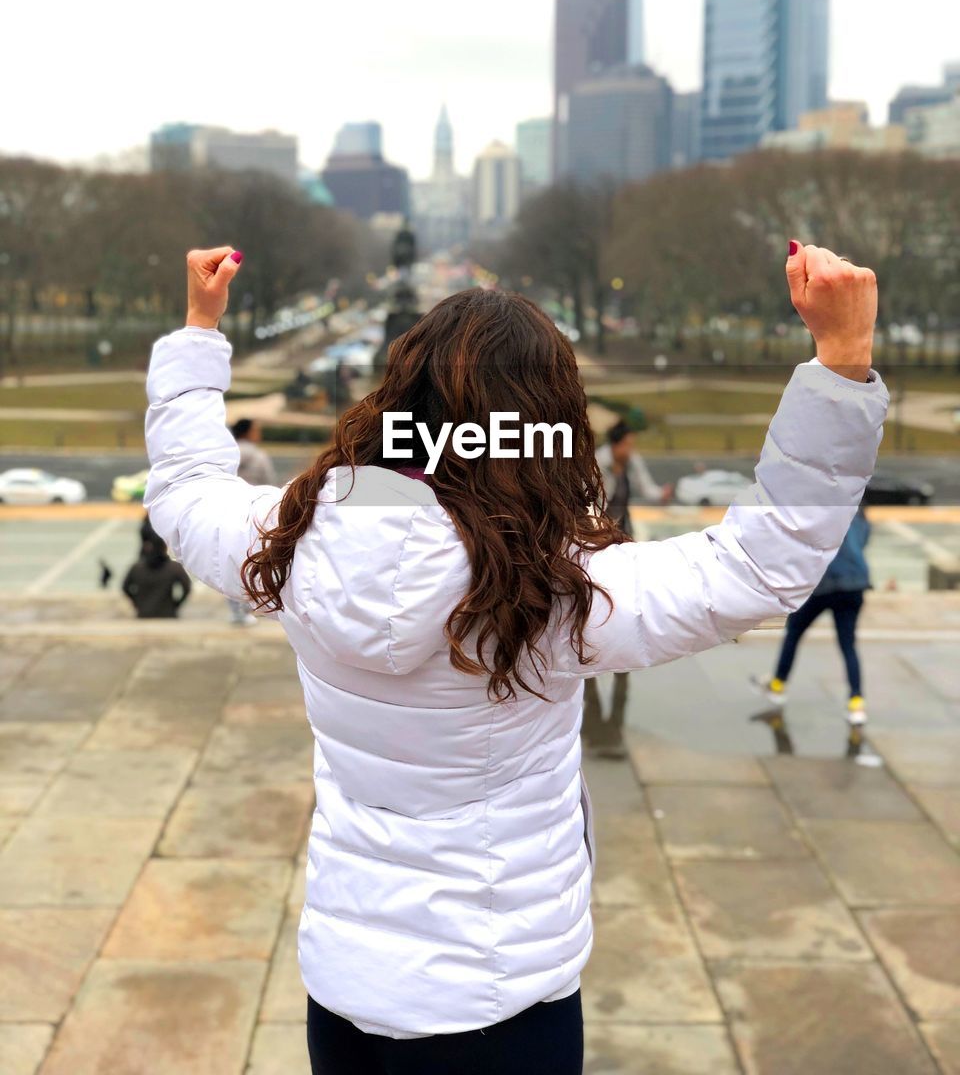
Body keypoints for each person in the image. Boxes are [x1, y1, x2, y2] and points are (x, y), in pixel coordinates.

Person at [144, 241, 885, 1074]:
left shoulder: (297, 538)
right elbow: (757, 565)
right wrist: (841, 364)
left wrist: (199, 331)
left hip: (346, 998)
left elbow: (182, 490)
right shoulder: (546, 595)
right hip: (497, 1008)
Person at [586, 422, 673, 755]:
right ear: (617, 444)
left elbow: (645, 489)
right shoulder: (599, 463)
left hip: (624, 538)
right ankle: (593, 717)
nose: (632, 450)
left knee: (624, 601)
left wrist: (661, 495)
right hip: (599, 541)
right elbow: (588, 502)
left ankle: (614, 714)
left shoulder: (630, 463)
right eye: (629, 444)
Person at [752, 504, 873, 724]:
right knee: (848, 644)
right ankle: (856, 703)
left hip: (822, 584)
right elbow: (863, 539)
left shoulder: (816, 506)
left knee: (794, 632)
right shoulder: (858, 508)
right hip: (855, 582)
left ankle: (778, 685)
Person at [226, 417, 276, 626]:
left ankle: (235, 609)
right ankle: (253, 606)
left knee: (230, 560)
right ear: (248, 432)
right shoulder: (259, 456)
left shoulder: (227, 454)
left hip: (229, 511)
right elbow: (270, 484)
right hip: (255, 516)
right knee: (255, 561)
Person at [121, 519, 191, 619]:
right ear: (164, 547)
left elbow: (124, 587)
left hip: (143, 614)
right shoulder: (174, 568)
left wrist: (137, 603)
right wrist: (176, 605)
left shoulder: (137, 568)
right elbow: (187, 588)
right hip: (168, 614)